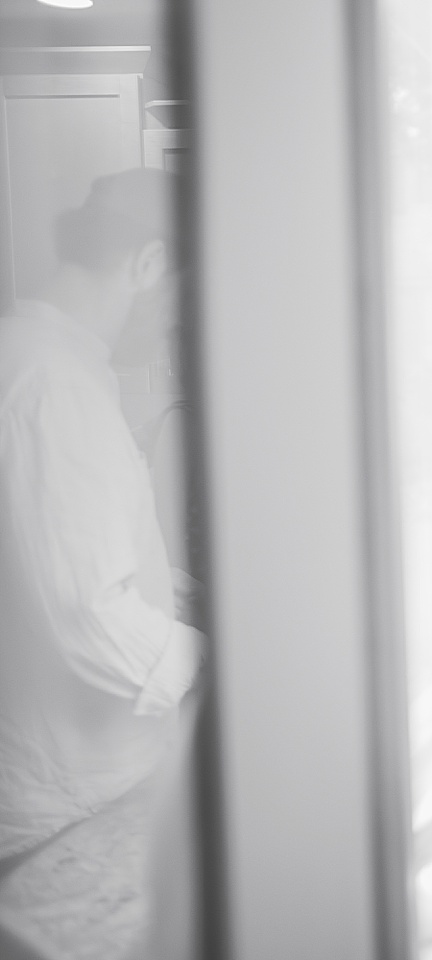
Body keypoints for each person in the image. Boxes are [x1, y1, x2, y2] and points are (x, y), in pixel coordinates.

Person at [0, 168, 203, 957]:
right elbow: (88, 613)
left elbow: (50, 559)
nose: (172, 322)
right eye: (178, 295)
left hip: (63, 795)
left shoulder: (40, 362)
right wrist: (216, 665)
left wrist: (167, 588)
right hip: (60, 811)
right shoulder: (54, 385)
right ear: (148, 265)